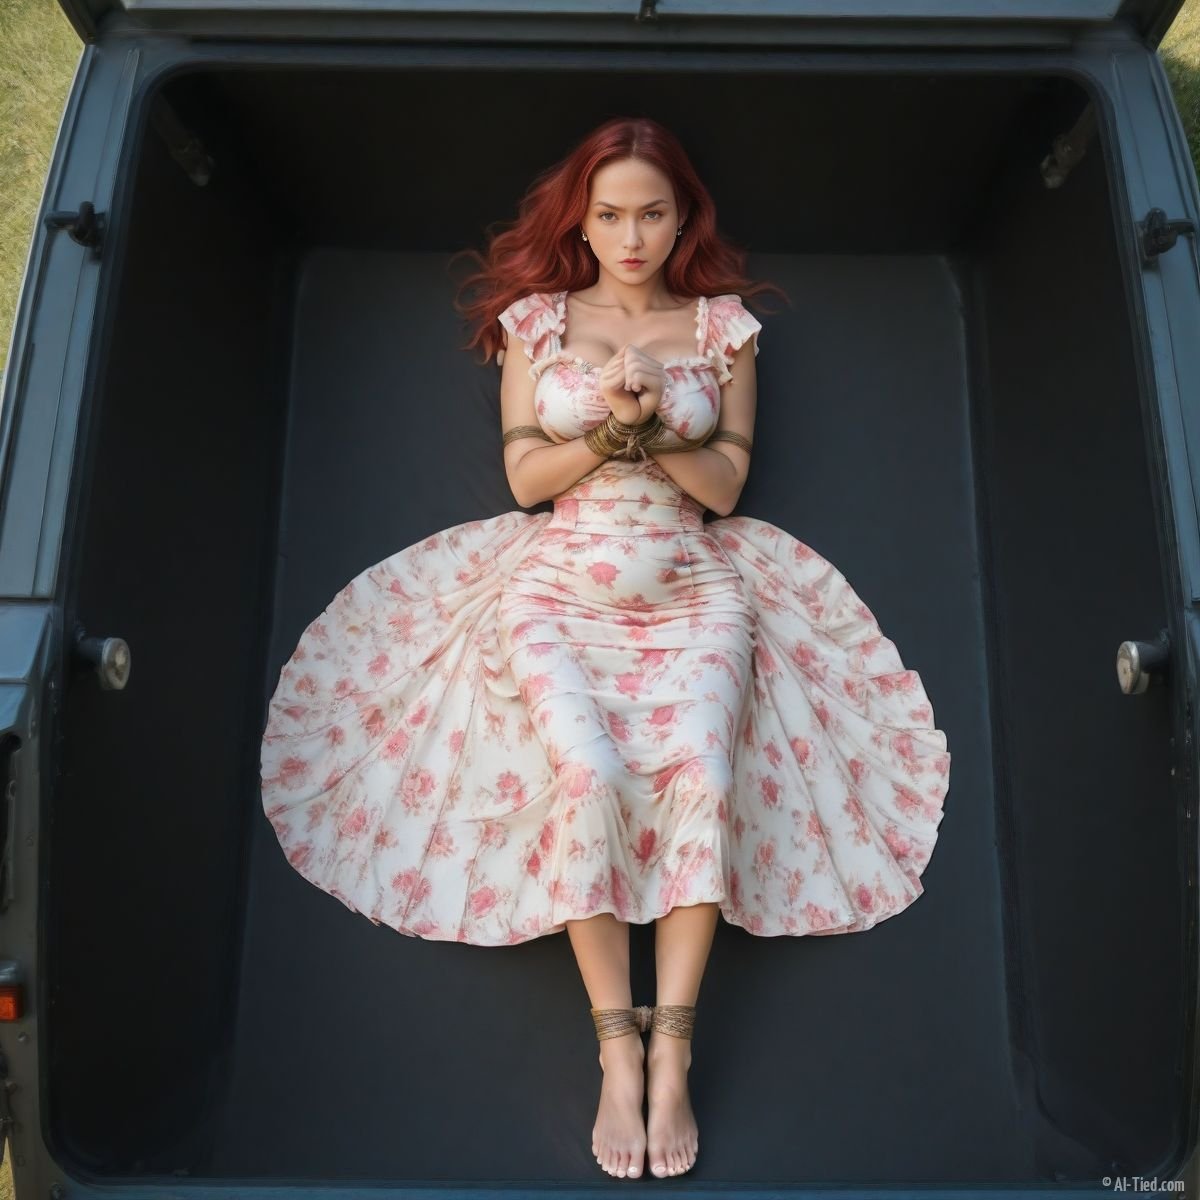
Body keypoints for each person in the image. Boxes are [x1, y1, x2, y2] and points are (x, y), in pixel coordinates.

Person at [260, 116, 952, 1182]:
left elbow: (727, 489)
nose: (632, 237)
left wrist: (660, 424)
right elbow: (525, 481)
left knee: (704, 777)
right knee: (586, 776)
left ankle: (674, 1050)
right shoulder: (536, 321)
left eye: (653, 214)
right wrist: (611, 428)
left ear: (684, 219)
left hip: (694, 588)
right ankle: (615, 1049)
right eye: (612, 215)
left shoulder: (724, 329)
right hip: (559, 588)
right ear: (581, 220)